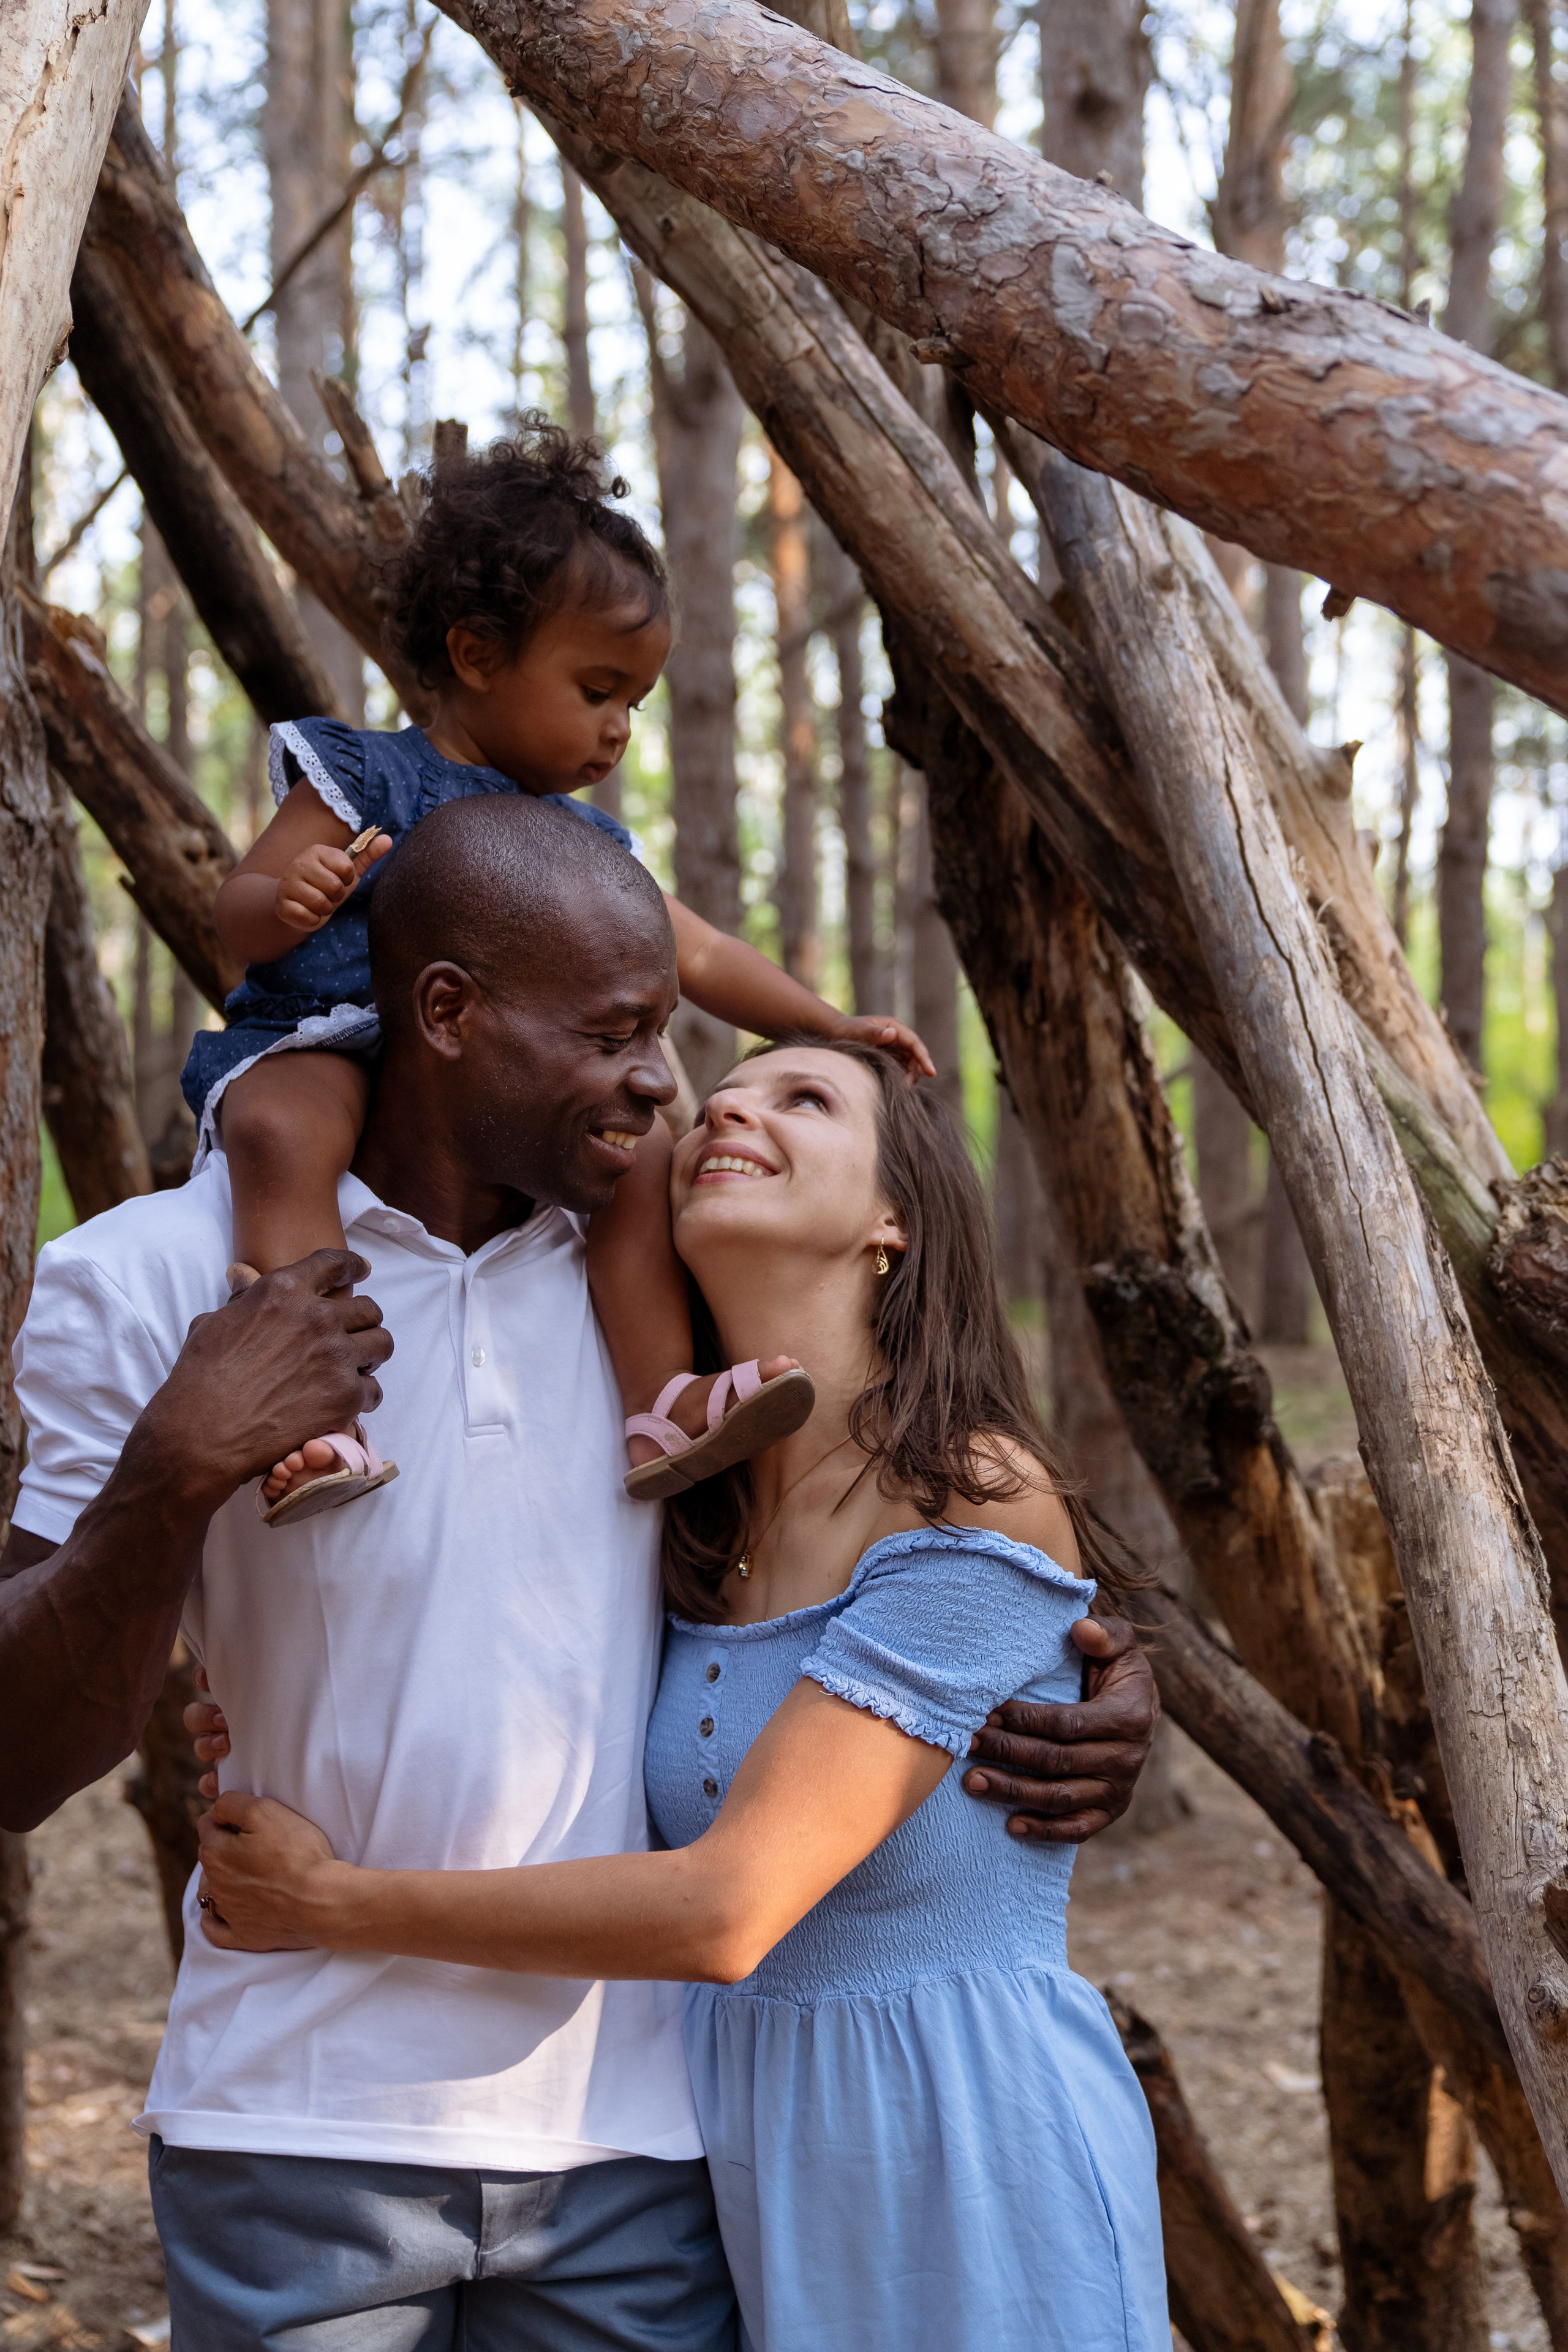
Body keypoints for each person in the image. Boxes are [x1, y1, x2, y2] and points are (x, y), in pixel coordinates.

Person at [2, 794, 1159, 2350]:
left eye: (676, 1038)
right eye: (619, 1031)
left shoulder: (660, 1304)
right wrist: (173, 1477)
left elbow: (933, 1520)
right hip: (301, 2128)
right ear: (448, 1013)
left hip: (650, 2151)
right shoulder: (149, 1280)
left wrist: (1090, 1663)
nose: (666, 1090)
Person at [194, 418, 931, 1526]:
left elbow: (706, 951)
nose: (620, 727)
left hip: (514, 1091)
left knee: (644, 1157)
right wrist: (284, 900)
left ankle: (659, 1402)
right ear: (478, 655)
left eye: (634, 700)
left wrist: (825, 1026)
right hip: (332, 1032)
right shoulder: (366, 775)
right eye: (597, 689)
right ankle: (311, 1413)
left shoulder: (583, 846)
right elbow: (236, 913)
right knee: (282, 1134)